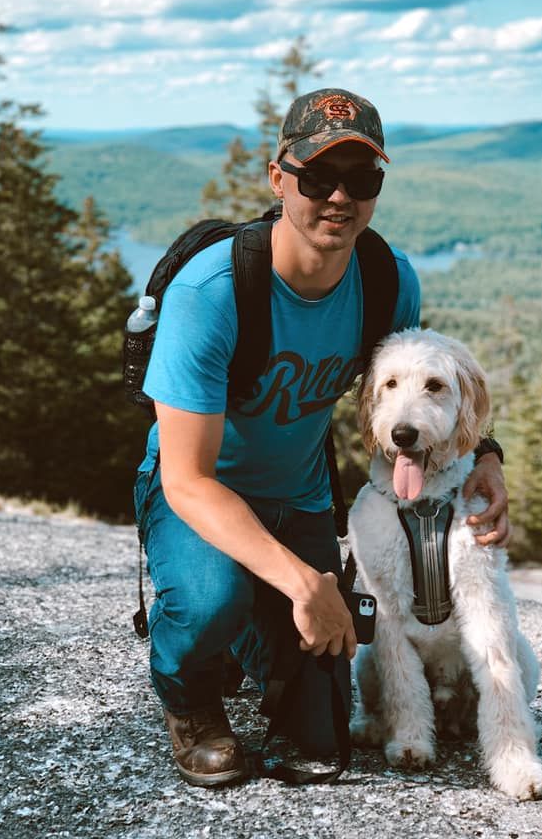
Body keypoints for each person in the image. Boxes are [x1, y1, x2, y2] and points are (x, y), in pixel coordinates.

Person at [132, 87, 510, 787]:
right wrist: (306, 580)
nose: (340, 197)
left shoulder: (385, 279)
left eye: (361, 179)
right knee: (211, 600)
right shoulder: (210, 293)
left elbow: (419, 399)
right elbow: (187, 479)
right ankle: (189, 696)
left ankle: (245, 637)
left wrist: (485, 456)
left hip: (301, 498)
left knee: (322, 739)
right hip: (200, 498)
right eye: (318, 178)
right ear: (278, 178)